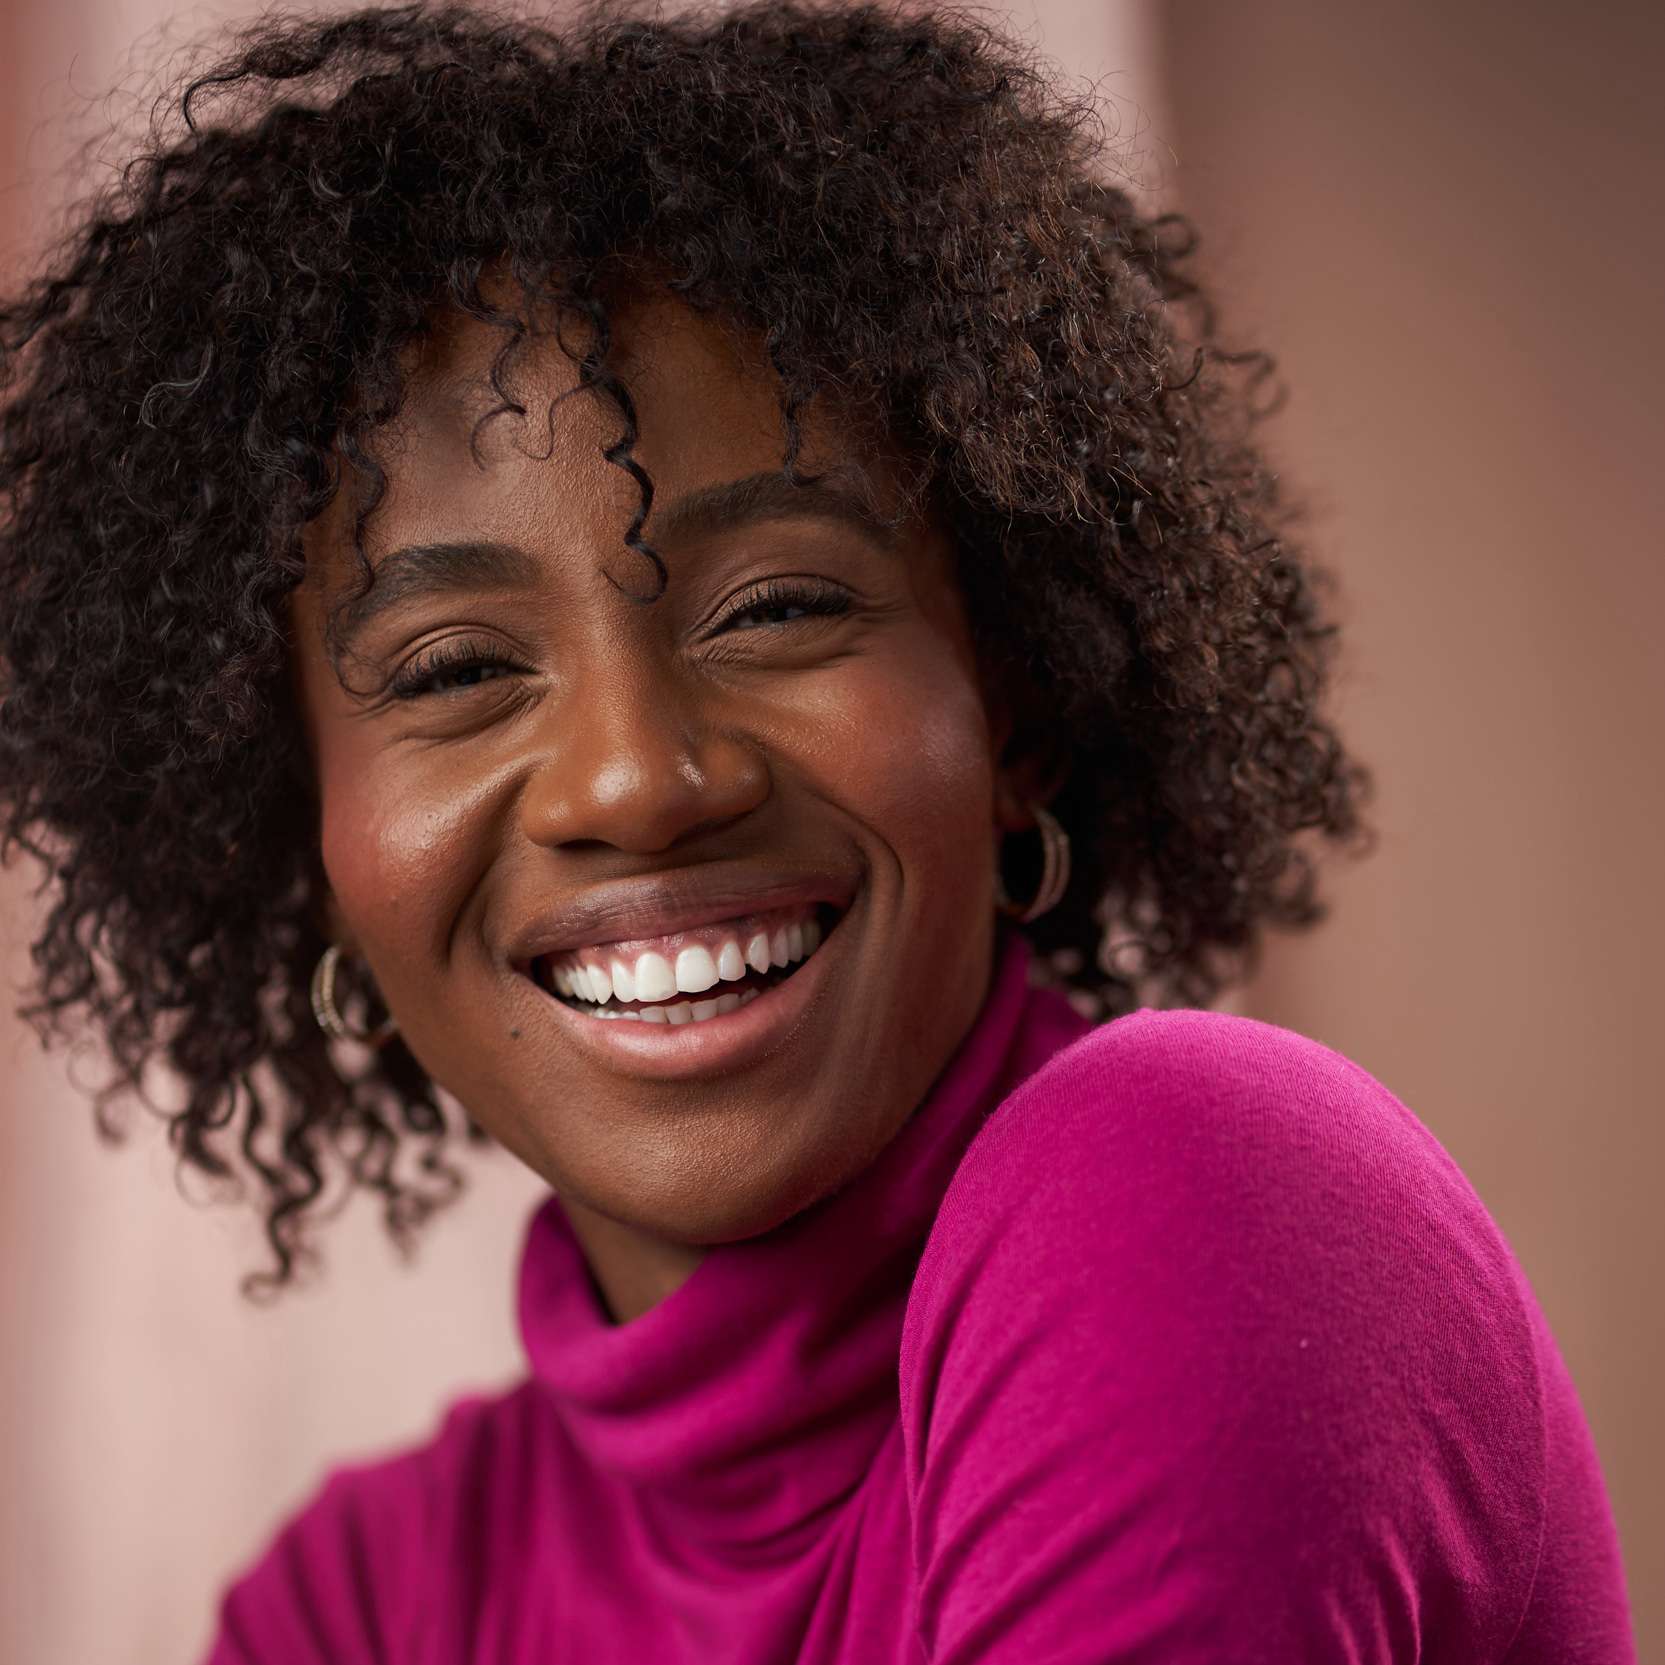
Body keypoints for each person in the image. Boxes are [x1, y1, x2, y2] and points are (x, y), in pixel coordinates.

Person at [0, 0, 1637, 1658]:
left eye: (775, 604)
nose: (635, 777)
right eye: (458, 667)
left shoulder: (1199, 1202)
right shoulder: (359, 1602)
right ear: (313, 844)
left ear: (1015, 707)